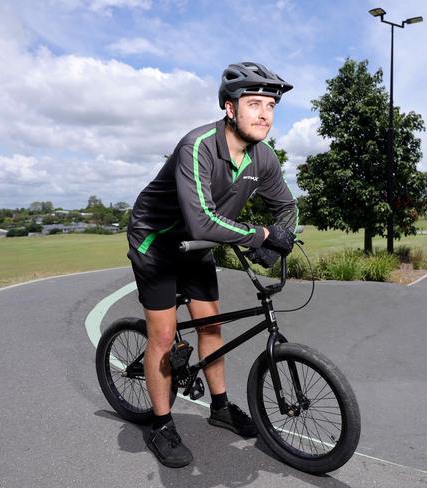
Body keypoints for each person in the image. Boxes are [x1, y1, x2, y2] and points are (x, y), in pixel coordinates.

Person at [126, 61, 298, 468]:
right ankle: (161, 424)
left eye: (270, 106)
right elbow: (202, 218)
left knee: (211, 326)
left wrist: (282, 238)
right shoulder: (198, 146)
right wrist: (259, 236)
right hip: (158, 242)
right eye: (254, 104)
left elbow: (286, 206)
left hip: (198, 244)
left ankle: (219, 407)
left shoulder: (263, 159)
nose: (264, 114)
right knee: (164, 337)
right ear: (229, 108)